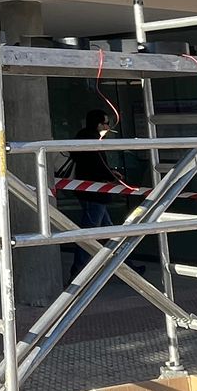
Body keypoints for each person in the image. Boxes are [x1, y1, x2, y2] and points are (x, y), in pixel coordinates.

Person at [58, 110, 126, 279]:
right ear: (98, 124)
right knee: (90, 235)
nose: (108, 127)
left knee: (107, 232)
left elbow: (93, 165)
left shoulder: (83, 137)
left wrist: (109, 173)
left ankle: (124, 268)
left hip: (90, 192)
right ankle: (79, 273)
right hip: (94, 194)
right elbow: (97, 165)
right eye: (106, 123)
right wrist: (111, 176)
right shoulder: (92, 139)